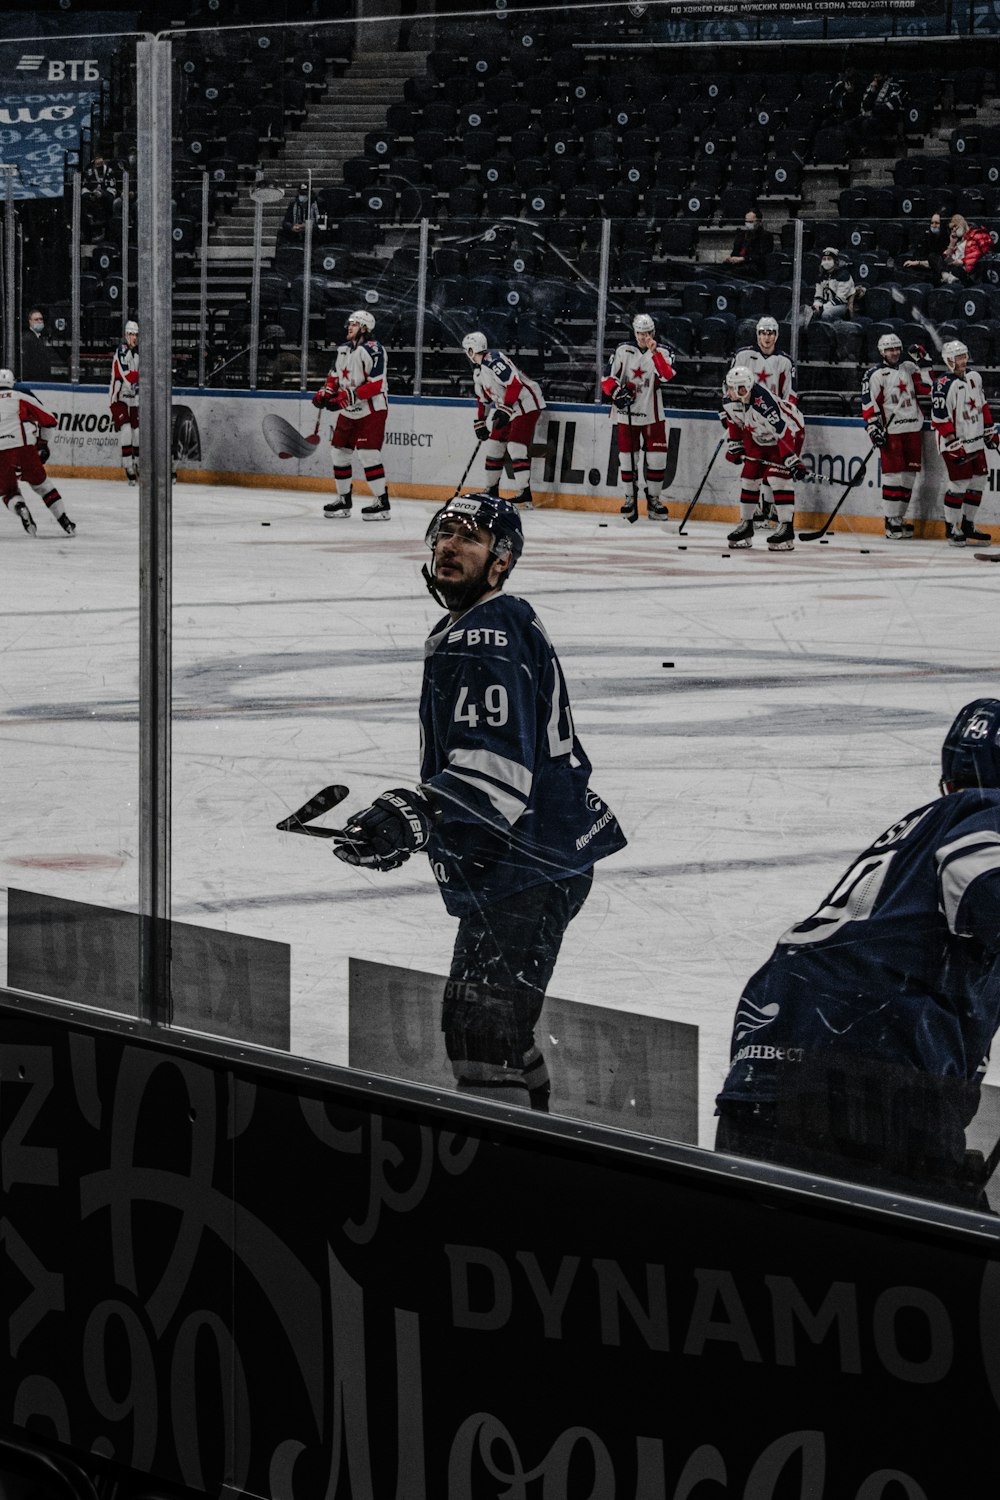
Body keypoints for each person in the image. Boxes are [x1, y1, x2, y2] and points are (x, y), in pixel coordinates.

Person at [314, 493, 626, 1108]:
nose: (449, 547)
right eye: (444, 534)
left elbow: (496, 774)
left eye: (470, 538)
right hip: (538, 857)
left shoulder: (484, 630)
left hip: (528, 864)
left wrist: (417, 814)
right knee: (496, 1033)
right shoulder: (487, 623)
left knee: (481, 1038)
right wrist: (419, 822)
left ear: (501, 561)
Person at [715, 697, 1000, 1210]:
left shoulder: (919, 828)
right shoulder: (987, 813)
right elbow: (974, 874)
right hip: (868, 1074)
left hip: (767, 1061)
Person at [312, 309, 391, 521]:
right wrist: (325, 394)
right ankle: (344, 500)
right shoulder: (343, 350)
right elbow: (333, 378)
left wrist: (345, 397)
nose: (349, 327)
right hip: (349, 411)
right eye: (349, 323)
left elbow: (375, 385)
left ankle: (382, 503)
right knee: (338, 452)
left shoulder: (374, 349)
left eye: (354, 324)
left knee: (368, 454)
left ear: (365, 328)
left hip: (371, 410)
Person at [720, 364, 806, 552]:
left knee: (777, 477)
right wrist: (735, 446)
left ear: (743, 389)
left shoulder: (764, 404)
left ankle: (786, 527)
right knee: (749, 477)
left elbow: (783, 432)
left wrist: (790, 460)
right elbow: (734, 423)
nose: (728, 392)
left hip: (790, 431)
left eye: (733, 388)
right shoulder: (729, 401)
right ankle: (746, 524)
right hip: (758, 435)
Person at [601, 313, 677, 522]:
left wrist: (654, 354)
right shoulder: (623, 350)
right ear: (634, 332)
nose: (643, 337)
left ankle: (654, 500)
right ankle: (629, 498)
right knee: (627, 459)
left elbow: (667, 375)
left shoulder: (663, 351)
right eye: (640, 333)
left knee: (657, 459)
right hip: (626, 415)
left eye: (647, 333)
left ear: (653, 332)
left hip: (653, 415)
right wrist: (617, 393)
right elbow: (607, 378)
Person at [861, 332, 933, 541]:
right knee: (892, 476)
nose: (894, 353)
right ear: (882, 351)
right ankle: (891, 521)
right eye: (889, 349)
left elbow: (927, 389)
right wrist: (873, 428)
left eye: (896, 349)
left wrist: (925, 362)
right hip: (891, 432)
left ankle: (899, 518)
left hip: (912, 428)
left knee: (909, 476)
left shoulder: (909, 368)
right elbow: (868, 404)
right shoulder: (875, 374)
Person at [462, 332, 546, 509]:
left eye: (467, 350)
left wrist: (506, 408)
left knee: (515, 446)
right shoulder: (478, 372)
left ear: (472, 349)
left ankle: (524, 493)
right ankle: (491, 490)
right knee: (494, 446)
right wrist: (480, 422)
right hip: (508, 406)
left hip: (525, 403)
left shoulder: (494, 360)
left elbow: (514, 385)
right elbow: (483, 399)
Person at [931, 338, 998, 547]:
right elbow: (939, 418)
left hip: (976, 440)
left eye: (964, 356)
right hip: (955, 442)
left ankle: (968, 524)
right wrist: (953, 443)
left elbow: (983, 405)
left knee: (978, 481)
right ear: (949, 360)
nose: (963, 360)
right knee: (959, 484)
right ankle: (951, 527)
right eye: (958, 357)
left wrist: (990, 430)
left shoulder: (975, 377)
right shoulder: (943, 385)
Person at [733, 315, 798, 526]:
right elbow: (730, 387)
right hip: (749, 421)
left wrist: (786, 420)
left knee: (772, 464)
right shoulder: (744, 356)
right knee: (753, 466)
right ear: (757, 334)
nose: (766, 337)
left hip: (774, 421)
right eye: (762, 332)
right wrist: (733, 417)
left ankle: (770, 505)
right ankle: (757, 508)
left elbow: (790, 395)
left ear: (776, 335)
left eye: (770, 333)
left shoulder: (785, 361)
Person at [0, 369, 75, 537]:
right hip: (23, 447)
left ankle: (21, 508)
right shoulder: (20, 395)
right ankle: (65, 521)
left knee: (8, 493)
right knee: (43, 486)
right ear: (12, 382)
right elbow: (50, 420)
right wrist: (43, 445)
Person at [109, 320, 139, 484]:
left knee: (138, 433)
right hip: (119, 398)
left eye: (135, 334)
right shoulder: (121, 351)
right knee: (127, 430)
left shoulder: (138, 354)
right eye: (130, 334)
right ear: (126, 335)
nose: (133, 337)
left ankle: (138, 464)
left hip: (134, 399)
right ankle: (128, 467)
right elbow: (127, 376)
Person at [939, 213, 993, 286]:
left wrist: (963, 261)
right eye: (951, 228)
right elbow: (946, 258)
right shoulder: (957, 240)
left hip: (966, 269)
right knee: (933, 257)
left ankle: (948, 277)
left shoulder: (977, 234)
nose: (954, 230)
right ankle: (948, 277)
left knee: (955, 270)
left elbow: (984, 252)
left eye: (955, 226)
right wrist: (952, 243)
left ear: (962, 223)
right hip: (953, 265)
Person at [721, 206, 772, 280]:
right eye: (746, 221)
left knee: (729, 274)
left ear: (759, 222)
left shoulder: (765, 236)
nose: (748, 224)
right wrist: (730, 259)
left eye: (751, 222)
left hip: (753, 266)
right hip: (739, 264)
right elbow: (735, 253)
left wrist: (743, 259)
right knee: (710, 271)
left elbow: (762, 257)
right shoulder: (741, 235)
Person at [811, 247, 856, 321]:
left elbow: (840, 298)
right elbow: (818, 295)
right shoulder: (821, 276)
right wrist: (816, 305)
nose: (826, 262)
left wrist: (822, 308)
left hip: (842, 306)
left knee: (826, 314)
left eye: (829, 259)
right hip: (825, 304)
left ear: (835, 261)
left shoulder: (844, 275)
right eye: (824, 259)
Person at [903, 210, 948, 280]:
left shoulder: (946, 238)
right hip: (924, 268)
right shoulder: (927, 236)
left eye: (937, 223)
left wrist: (918, 263)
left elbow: (938, 262)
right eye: (932, 223)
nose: (934, 225)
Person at [81, 154, 119, 233]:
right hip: (93, 194)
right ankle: (88, 231)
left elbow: (112, 187)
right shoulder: (89, 171)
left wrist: (102, 193)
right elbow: (85, 186)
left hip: (107, 194)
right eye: (97, 164)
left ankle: (107, 229)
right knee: (84, 200)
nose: (99, 167)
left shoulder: (110, 171)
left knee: (109, 201)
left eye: (101, 164)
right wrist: (91, 194)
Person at [20, 309, 53, 383]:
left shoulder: (38, 337)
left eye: (41, 319)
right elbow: (26, 363)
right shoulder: (27, 338)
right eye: (36, 319)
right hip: (33, 381)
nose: (39, 321)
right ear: (30, 321)